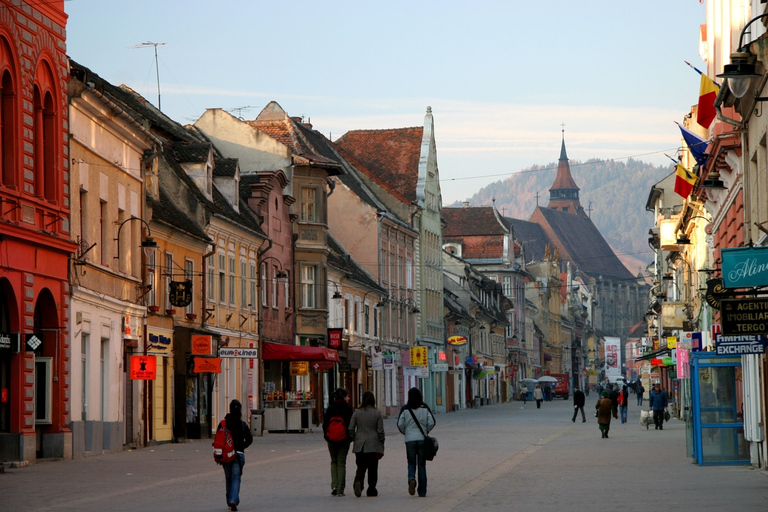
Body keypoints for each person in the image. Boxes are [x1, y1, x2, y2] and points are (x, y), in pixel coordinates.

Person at [397, 387, 436, 498]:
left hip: (410, 440)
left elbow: (400, 424)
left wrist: (406, 432)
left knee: (411, 463)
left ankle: (411, 479)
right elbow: (432, 422)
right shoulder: (425, 408)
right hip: (422, 439)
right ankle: (422, 491)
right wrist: (426, 431)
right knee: (422, 465)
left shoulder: (405, 409)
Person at [348, 390, 385, 497]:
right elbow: (380, 431)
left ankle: (358, 483)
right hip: (373, 444)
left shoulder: (357, 412)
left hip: (360, 444)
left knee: (361, 466)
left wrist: (355, 438)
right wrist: (381, 442)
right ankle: (371, 489)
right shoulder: (377, 413)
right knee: (373, 468)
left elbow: (351, 428)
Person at [221, 399, 253, 512]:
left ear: (229, 409)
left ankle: (230, 501)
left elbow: (219, 439)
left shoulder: (223, 424)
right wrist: (241, 447)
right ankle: (233, 500)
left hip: (225, 455)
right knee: (236, 478)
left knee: (228, 478)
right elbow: (250, 439)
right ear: (240, 410)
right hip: (238, 455)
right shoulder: (243, 424)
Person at [323, 388, 354, 497]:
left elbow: (325, 424)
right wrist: (350, 438)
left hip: (331, 439)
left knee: (334, 461)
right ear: (344, 397)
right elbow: (351, 426)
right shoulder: (348, 409)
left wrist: (326, 437)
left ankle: (334, 486)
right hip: (344, 439)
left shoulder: (330, 408)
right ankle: (340, 489)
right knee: (341, 462)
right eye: (347, 396)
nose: (348, 398)